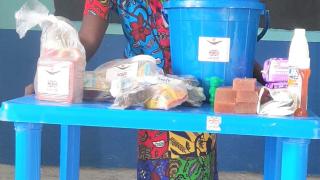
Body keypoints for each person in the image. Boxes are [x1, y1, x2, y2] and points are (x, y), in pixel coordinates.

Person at [79, 0, 218, 179]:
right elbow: (88, 39)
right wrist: (56, 67)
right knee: (155, 164)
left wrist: (264, 77)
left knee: (193, 168)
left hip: (193, 93)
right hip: (148, 96)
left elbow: (223, 29)